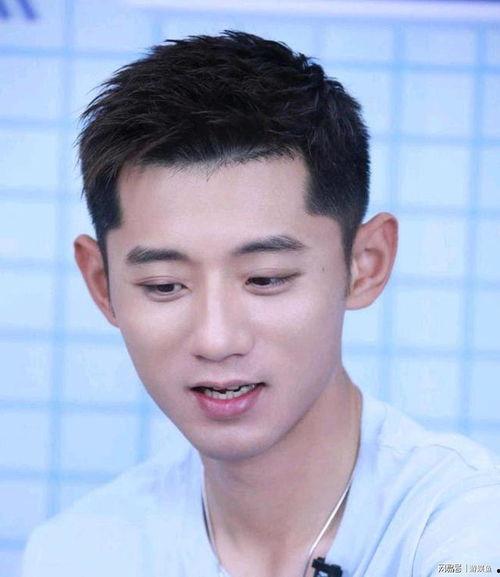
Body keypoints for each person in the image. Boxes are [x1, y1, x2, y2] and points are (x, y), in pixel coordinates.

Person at [23, 31, 500, 577]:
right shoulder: (76, 554)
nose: (216, 339)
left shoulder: (466, 527)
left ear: (365, 264)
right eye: (164, 285)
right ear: (102, 283)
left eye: (266, 278)